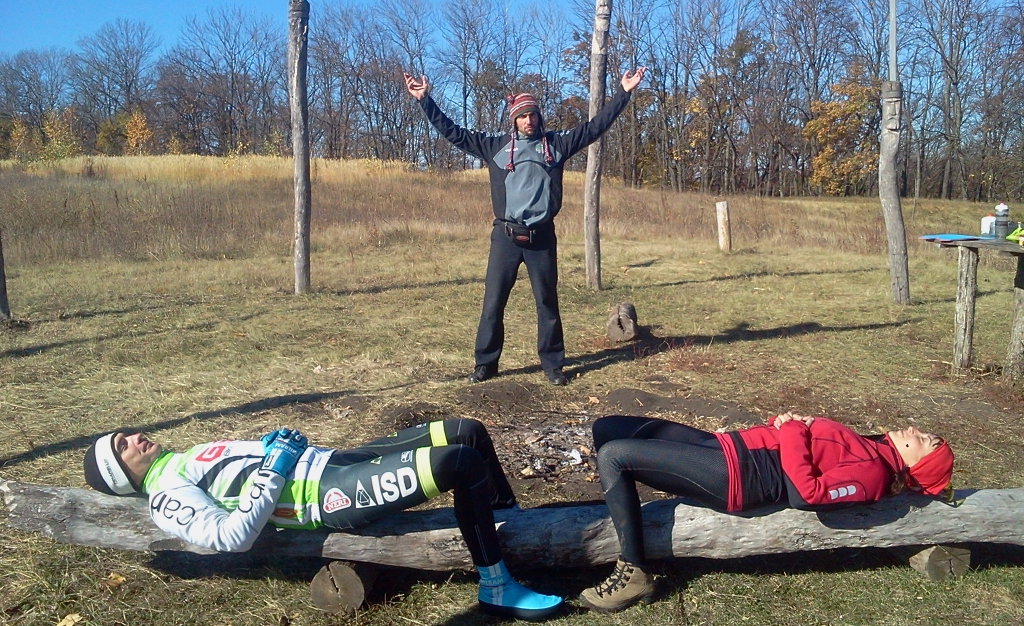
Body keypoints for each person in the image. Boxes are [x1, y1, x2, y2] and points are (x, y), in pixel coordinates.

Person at [83, 418, 562, 621]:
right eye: (124, 446)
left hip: (332, 460)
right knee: (460, 461)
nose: (136, 438)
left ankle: (508, 530)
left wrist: (269, 447)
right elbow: (231, 536)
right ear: (120, 475)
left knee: (466, 431)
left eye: (129, 434)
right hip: (327, 497)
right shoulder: (165, 497)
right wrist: (274, 466)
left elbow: (239, 474)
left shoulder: (180, 460)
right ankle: (496, 585)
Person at [404, 68, 646, 386]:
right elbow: (454, 133)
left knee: (547, 303)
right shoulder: (495, 146)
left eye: (532, 115)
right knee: (493, 303)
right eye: (522, 116)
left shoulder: (556, 145)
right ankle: (486, 364)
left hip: (541, 238)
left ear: (538, 117)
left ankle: (553, 365)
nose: (528, 121)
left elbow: (594, 128)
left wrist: (624, 93)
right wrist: (425, 100)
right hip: (505, 237)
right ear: (514, 120)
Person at [579, 413, 955, 613]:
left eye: (924, 440)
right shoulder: (874, 450)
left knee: (614, 456)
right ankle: (620, 517)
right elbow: (816, 450)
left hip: (741, 477)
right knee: (608, 428)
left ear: (917, 464)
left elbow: (805, 494)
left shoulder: (873, 474)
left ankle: (634, 571)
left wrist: (792, 430)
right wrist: (787, 426)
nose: (915, 429)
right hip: (730, 447)